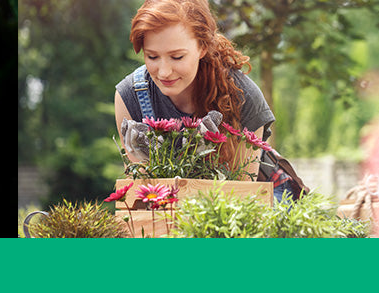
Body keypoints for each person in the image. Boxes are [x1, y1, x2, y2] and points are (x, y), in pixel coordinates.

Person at [113, 0, 293, 201]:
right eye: (152, 57)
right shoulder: (131, 96)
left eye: (177, 57)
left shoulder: (243, 96)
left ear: (202, 47)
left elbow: (240, 199)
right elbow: (142, 194)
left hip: (254, 203)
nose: (164, 72)